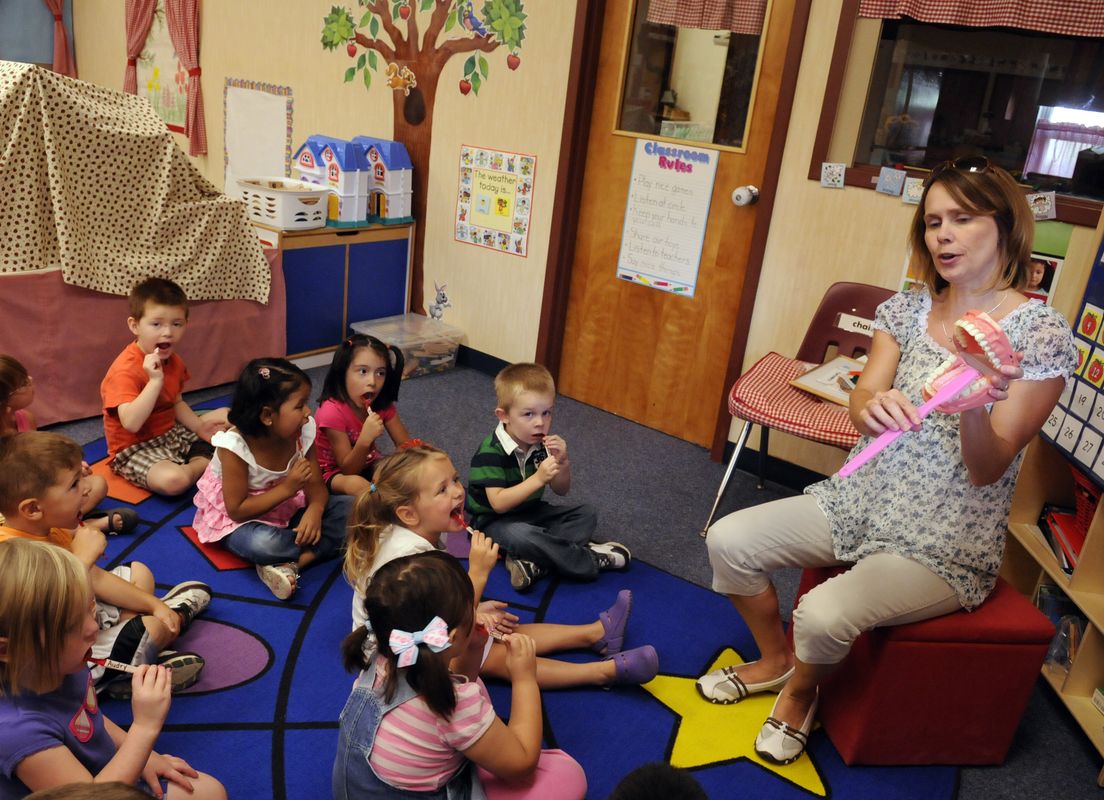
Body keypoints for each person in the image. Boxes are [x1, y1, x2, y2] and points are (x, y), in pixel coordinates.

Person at [699, 157, 1076, 765]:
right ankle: (775, 659)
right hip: (859, 498)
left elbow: (987, 468)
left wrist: (975, 404)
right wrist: (871, 405)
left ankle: (801, 691)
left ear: (1005, 227)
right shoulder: (905, 310)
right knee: (728, 541)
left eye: (962, 218)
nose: (942, 234)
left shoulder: (1041, 333)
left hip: (942, 537)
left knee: (820, 614)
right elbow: (862, 397)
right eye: (932, 222)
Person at [345, 443, 658, 689]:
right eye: (442, 490)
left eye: (454, 479)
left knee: (496, 628)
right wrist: (478, 578)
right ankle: (602, 673)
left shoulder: (414, 535)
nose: (457, 491)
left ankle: (595, 634)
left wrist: (476, 608)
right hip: (399, 658)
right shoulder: (411, 559)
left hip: (423, 627)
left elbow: (437, 612)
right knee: (490, 651)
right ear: (409, 514)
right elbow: (446, 623)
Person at [0, 539, 227, 800]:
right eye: (72, 625)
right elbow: (93, 796)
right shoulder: (14, 732)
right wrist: (143, 729)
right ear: (7, 650)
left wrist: (144, 757)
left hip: (101, 776)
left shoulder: (62, 663)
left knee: (209, 791)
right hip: (92, 793)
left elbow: (89, 714)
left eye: (90, 609)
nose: (93, 628)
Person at [334, 550, 587, 800]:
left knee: (475, 688)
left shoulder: (386, 656)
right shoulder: (456, 704)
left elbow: (453, 681)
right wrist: (524, 678)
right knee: (567, 775)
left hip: (356, 790)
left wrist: (475, 647)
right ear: (453, 637)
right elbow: (522, 765)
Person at [0, 431, 211, 698]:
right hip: (56, 657)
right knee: (153, 628)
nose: (87, 488)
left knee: (139, 573)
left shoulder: (49, 526)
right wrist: (82, 558)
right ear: (32, 509)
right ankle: (113, 678)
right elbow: (49, 613)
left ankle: (137, 643)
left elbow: (96, 579)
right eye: (74, 485)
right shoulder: (8, 556)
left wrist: (154, 604)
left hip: (84, 617)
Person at [192, 358, 352, 600]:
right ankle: (297, 556)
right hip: (243, 520)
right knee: (264, 545)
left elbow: (317, 487)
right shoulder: (235, 447)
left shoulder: (304, 430)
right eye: (300, 406)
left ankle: (293, 564)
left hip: (289, 508)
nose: (308, 412)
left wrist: (316, 511)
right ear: (267, 415)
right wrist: (288, 488)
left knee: (356, 509)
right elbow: (237, 510)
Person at [466, 362, 630, 592]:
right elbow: (498, 503)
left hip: (531, 511)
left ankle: (533, 562)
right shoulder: (490, 452)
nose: (540, 422)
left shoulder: (540, 443)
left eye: (547, 413)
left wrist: (562, 463)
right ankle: (587, 561)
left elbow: (561, 489)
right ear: (504, 416)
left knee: (586, 514)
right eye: (528, 414)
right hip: (492, 523)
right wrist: (538, 479)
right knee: (521, 534)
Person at [0, 354, 135, 542]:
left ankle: (58, 529)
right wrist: (24, 492)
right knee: (14, 542)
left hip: (32, 495)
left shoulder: (25, 419)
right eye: (22, 384)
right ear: (3, 403)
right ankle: (81, 528)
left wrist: (71, 472)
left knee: (97, 485)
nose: (30, 380)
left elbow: (39, 461)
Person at [100, 278, 230, 496]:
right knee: (175, 480)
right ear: (135, 326)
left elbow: (176, 402)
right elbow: (131, 423)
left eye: (176, 324)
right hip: (135, 448)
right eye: (156, 324)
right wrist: (154, 381)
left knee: (230, 420)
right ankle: (203, 462)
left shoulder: (174, 360)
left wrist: (199, 427)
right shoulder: (124, 370)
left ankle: (201, 456)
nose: (168, 332)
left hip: (170, 433)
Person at [315, 334, 411, 496]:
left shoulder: (381, 404)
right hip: (331, 472)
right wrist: (365, 439)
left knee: (401, 474)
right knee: (356, 485)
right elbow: (348, 470)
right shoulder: (331, 412)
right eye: (363, 371)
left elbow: (405, 445)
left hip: (368, 461)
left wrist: (406, 460)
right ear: (343, 372)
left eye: (380, 373)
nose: (372, 381)